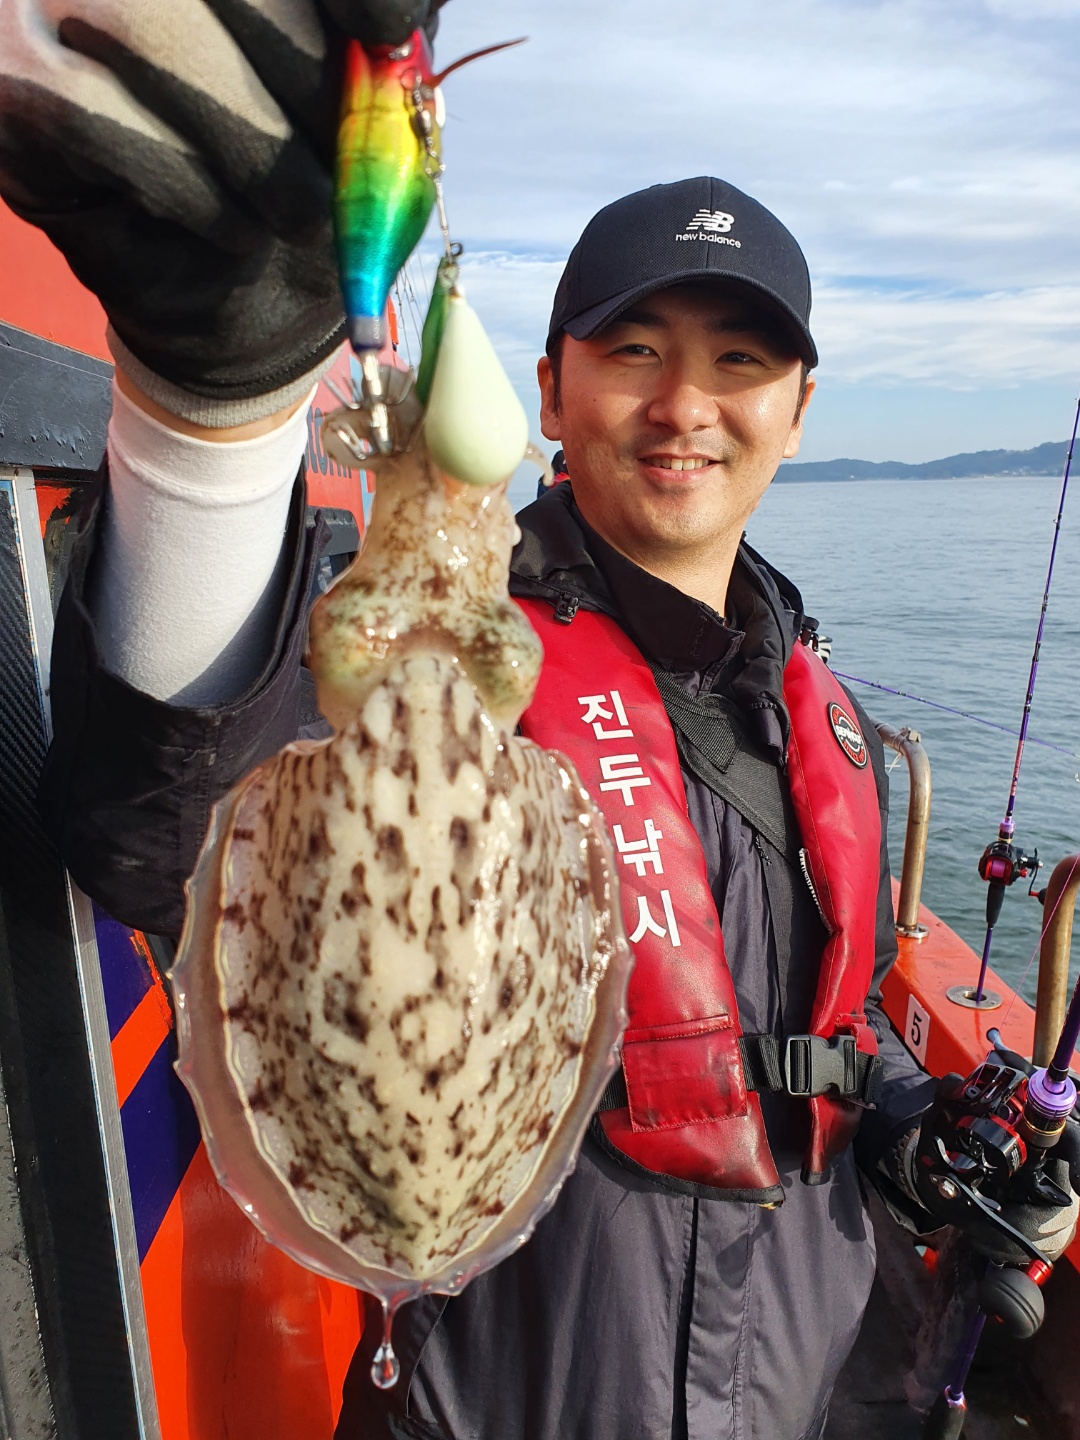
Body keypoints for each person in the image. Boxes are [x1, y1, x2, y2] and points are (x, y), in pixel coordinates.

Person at [2, 5, 1076, 1438]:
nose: (686, 403)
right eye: (634, 349)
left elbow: (840, 1011)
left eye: (741, 363)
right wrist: (211, 415)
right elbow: (166, 829)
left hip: (804, 1381)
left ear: (800, 408)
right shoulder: (438, 647)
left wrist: (907, 1122)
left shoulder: (828, 722)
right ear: (551, 393)